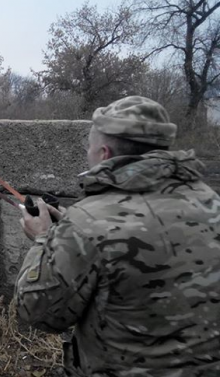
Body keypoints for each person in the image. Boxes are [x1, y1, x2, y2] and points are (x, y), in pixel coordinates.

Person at [16, 96, 220, 376]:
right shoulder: (212, 202)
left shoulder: (87, 222)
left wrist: (44, 240)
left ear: (104, 153)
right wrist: (70, 235)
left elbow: (37, 314)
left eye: (88, 146)